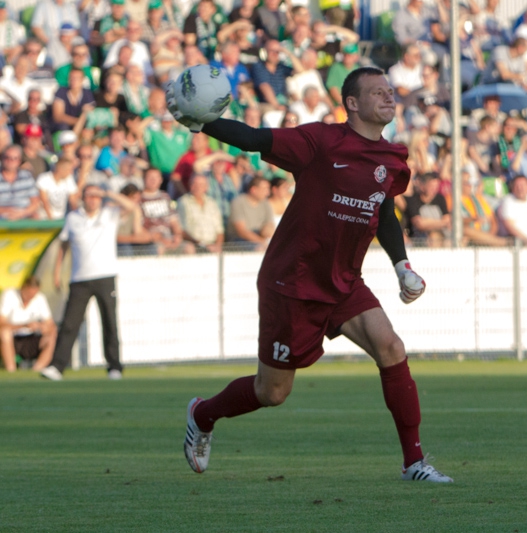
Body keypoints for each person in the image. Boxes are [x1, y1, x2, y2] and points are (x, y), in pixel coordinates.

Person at [165, 66, 452, 482]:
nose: (389, 97)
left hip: (344, 281)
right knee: (273, 393)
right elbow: (253, 138)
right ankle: (202, 413)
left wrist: (401, 265)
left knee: (391, 348)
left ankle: (414, 464)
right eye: (377, 92)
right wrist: (202, 122)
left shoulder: (392, 157)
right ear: (351, 104)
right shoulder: (320, 140)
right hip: (293, 281)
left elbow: (384, 211)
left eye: (390, 91)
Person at [40, 184, 139, 381]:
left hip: (105, 276)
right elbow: (63, 245)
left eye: (96, 196)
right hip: (79, 278)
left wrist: (108, 193)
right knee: (70, 323)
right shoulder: (73, 218)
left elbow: (133, 207)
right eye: (89, 195)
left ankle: (114, 366)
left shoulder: (110, 214)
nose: (93, 199)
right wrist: (57, 272)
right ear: (83, 198)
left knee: (109, 321)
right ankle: (57, 367)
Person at [0, 276, 56, 372]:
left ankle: (36, 371)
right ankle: (11, 371)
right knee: (4, 333)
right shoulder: (9, 295)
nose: (30, 298)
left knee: (52, 334)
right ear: (23, 288)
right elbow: (1, 323)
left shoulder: (40, 298)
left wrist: (41, 327)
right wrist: (24, 326)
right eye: (28, 294)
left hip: (31, 339)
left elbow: (51, 325)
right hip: (13, 339)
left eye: (33, 295)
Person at [226, 176, 276, 250]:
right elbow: (241, 231)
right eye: (264, 189)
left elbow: (270, 225)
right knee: (260, 249)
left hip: (258, 237)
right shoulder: (238, 202)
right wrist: (262, 242)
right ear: (254, 190)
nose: (268, 193)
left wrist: (267, 233)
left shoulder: (265, 203)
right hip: (238, 240)